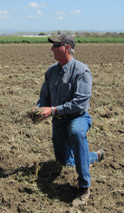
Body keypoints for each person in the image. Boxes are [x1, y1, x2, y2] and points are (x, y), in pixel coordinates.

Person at [36, 33, 105, 206]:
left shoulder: (82, 71)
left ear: (67, 48)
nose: (52, 49)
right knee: (65, 163)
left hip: (78, 118)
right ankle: (95, 156)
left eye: (56, 45)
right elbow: (45, 96)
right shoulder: (51, 71)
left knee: (76, 132)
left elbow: (80, 104)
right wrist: (38, 109)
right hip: (58, 121)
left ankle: (84, 187)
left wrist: (52, 110)